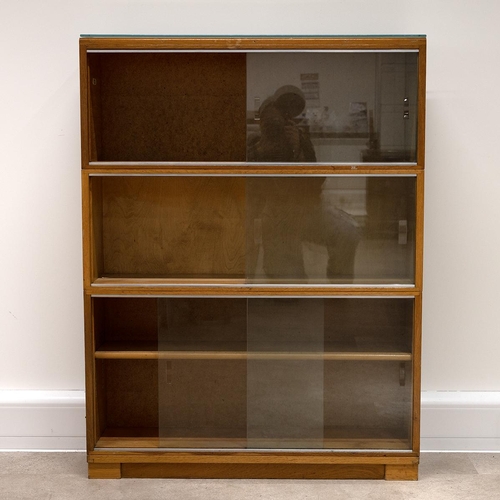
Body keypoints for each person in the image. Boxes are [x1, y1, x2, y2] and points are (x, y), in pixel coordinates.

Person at [247, 86, 360, 282]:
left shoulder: (299, 139)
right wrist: (258, 152)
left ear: (288, 122)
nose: (275, 129)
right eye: (268, 122)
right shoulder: (253, 145)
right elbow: (244, 189)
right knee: (288, 292)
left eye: (279, 122)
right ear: (261, 124)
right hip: (275, 218)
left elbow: (316, 182)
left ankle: (339, 291)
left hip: (307, 209)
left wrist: (298, 151)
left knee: (347, 232)